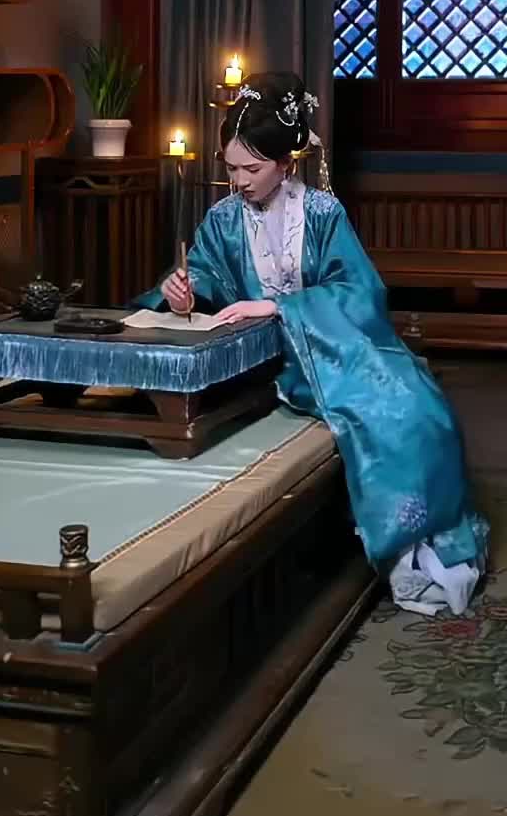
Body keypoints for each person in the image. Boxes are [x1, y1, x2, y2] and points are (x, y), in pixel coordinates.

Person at [135, 72, 488, 615]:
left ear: (286, 163)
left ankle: (424, 542)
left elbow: (360, 291)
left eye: (252, 169)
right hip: (269, 359)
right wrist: (182, 292)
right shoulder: (222, 219)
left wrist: (282, 306)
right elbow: (203, 275)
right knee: (389, 409)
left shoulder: (322, 213)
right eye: (231, 168)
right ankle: (402, 548)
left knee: (415, 407)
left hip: (330, 344)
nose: (239, 181)